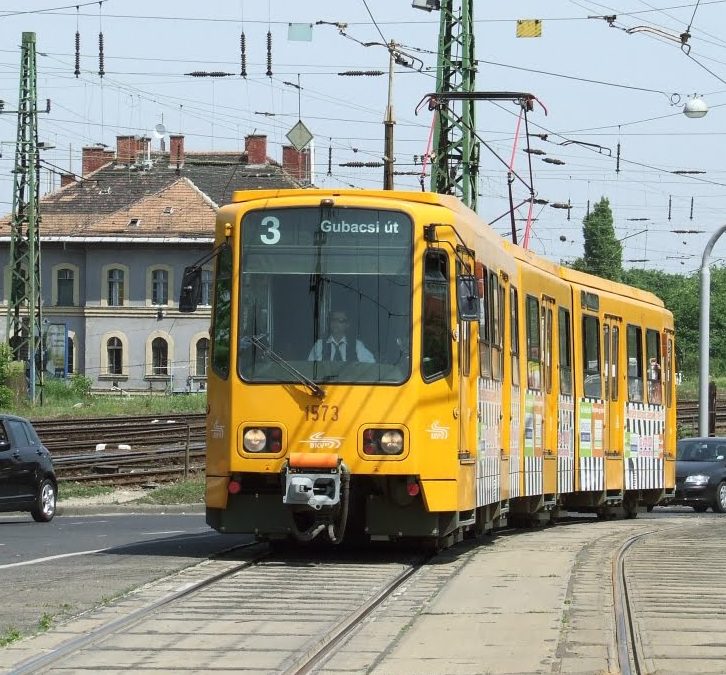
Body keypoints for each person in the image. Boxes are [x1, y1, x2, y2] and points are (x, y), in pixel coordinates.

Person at [308, 309, 375, 363]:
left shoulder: (356, 345)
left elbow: (371, 365)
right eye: (333, 320)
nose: (336, 323)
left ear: (347, 324)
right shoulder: (320, 345)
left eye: (340, 321)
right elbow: (309, 369)